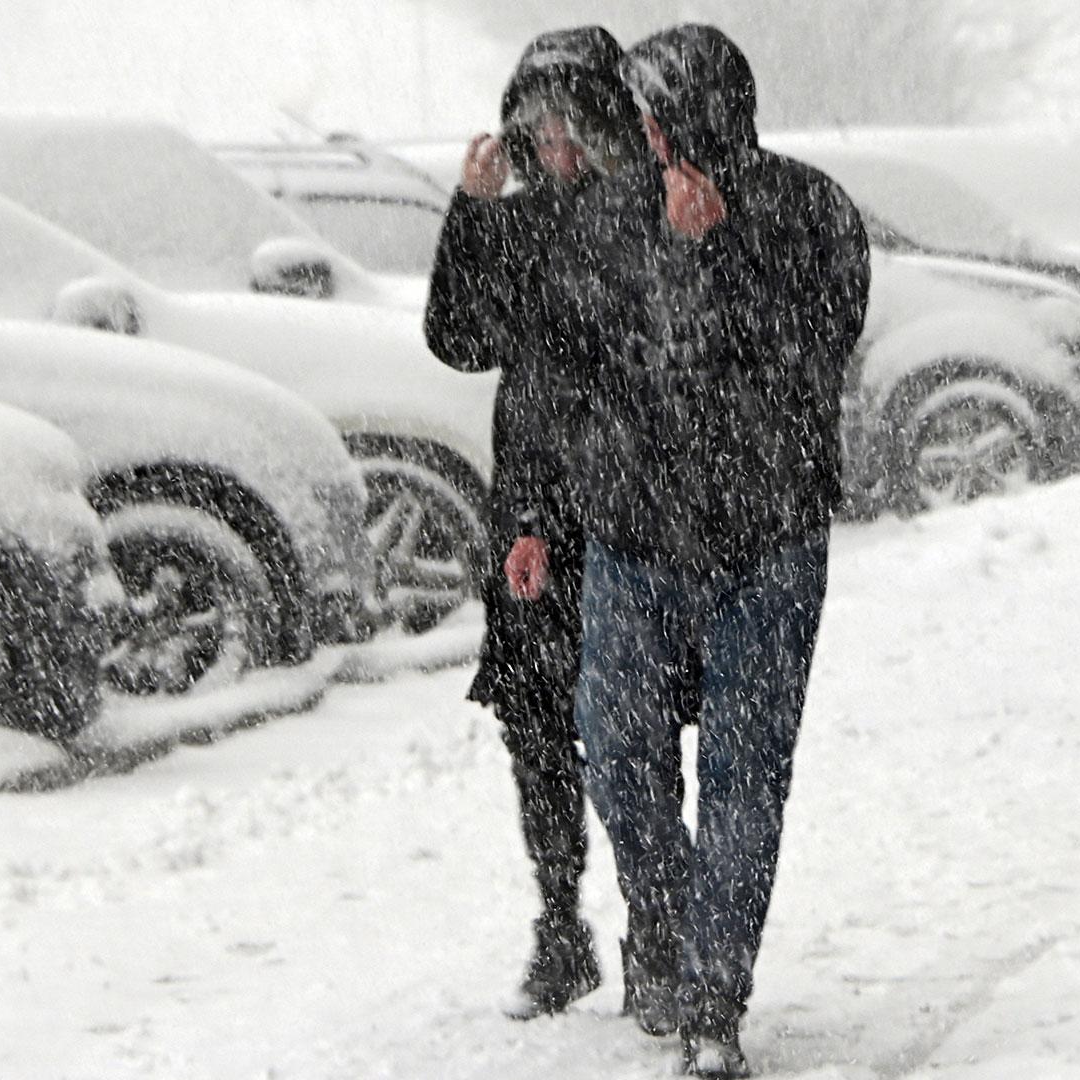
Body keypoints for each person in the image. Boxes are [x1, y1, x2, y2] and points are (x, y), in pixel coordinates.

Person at [552, 24, 870, 1079]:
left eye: (651, 112)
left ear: (690, 111)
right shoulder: (604, 214)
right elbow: (571, 370)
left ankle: (712, 1005)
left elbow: (811, 355)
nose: (638, 131)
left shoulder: (809, 209)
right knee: (624, 761)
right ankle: (667, 935)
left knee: (744, 778)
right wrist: (536, 515)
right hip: (635, 537)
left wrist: (717, 252)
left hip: (768, 538)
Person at [422, 25, 648, 1021]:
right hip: (533, 524)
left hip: (631, 519)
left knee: (638, 735)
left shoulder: (642, 217)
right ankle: (560, 930)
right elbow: (462, 340)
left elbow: (619, 383)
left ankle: (658, 932)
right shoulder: (514, 224)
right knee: (541, 735)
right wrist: (468, 219)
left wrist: (561, 511)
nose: (555, 149)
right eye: (538, 131)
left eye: (573, 128)